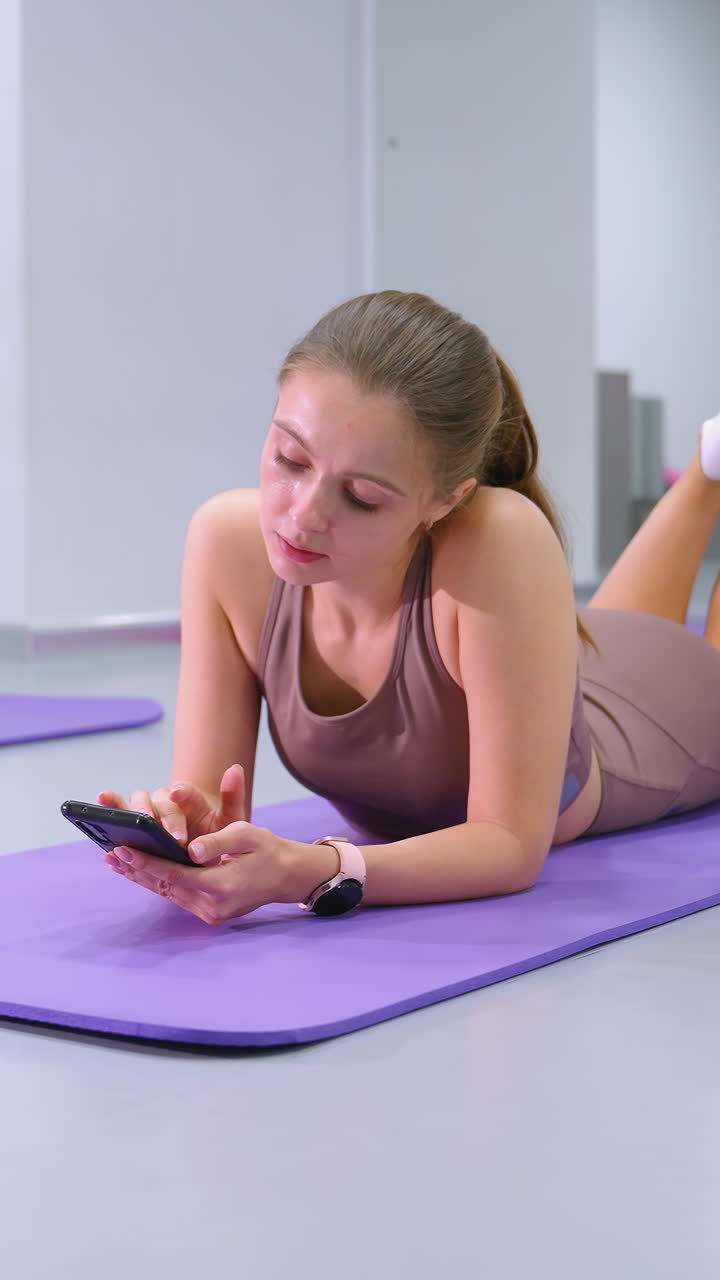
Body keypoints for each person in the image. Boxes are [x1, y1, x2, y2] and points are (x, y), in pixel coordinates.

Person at [98, 290, 720, 924]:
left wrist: (313, 870)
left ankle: (710, 469)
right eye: (289, 458)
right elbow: (209, 791)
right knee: (609, 640)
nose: (303, 515)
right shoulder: (225, 542)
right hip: (579, 667)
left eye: (362, 497)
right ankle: (710, 463)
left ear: (447, 500)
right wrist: (187, 823)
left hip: (676, 714)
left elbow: (508, 844)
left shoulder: (500, 535)